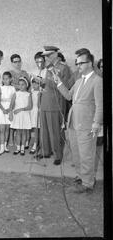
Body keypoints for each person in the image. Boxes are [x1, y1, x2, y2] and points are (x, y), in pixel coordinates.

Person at [54, 49, 103, 193]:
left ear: (90, 63)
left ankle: (88, 183)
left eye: (81, 63)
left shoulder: (98, 81)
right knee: (76, 153)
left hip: (87, 124)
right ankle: (81, 176)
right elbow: (69, 96)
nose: (78, 66)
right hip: (73, 123)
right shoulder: (79, 80)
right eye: (77, 63)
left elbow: (100, 105)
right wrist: (58, 82)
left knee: (86, 154)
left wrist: (96, 123)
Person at [31, 48, 65, 165]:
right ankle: (46, 151)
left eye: (47, 56)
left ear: (54, 55)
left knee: (54, 131)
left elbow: (61, 86)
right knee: (44, 130)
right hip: (44, 102)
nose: (45, 59)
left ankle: (57, 155)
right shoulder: (46, 68)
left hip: (53, 104)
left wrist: (44, 81)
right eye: (45, 56)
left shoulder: (61, 68)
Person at [9, 53, 30, 147]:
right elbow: (8, 85)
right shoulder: (9, 73)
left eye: (19, 61)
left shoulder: (25, 73)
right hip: (13, 98)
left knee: (25, 121)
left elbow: (28, 85)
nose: (17, 63)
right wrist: (19, 87)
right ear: (12, 63)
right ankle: (11, 140)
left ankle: (26, 142)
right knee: (12, 121)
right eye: (15, 62)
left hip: (24, 100)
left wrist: (16, 85)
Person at [9, 77, 32, 156]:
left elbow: (30, 106)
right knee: (18, 132)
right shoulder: (16, 94)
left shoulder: (28, 94)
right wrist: (11, 113)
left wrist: (21, 109)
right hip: (17, 116)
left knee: (24, 132)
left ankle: (22, 148)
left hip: (24, 115)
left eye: (23, 85)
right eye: (19, 85)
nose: (21, 86)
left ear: (26, 85)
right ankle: (18, 147)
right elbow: (11, 105)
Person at [0, 71, 16, 155]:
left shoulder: (13, 88)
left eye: (7, 79)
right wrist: (2, 108)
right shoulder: (0, 88)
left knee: (7, 128)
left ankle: (5, 145)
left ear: (10, 79)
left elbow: (13, 100)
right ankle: (1, 147)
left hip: (9, 108)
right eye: (4, 79)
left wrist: (9, 109)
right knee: (2, 129)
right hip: (1, 109)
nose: (5, 80)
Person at [29, 78, 40, 154]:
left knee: (36, 128)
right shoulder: (31, 92)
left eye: (36, 83)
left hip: (37, 111)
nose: (34, 85)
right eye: (33, 83)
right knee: (32, 128)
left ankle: (36, 144)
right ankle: (32, 141)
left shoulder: (40, 92)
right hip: (31, 111)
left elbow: (39, 104)